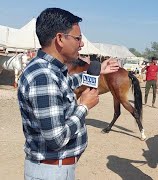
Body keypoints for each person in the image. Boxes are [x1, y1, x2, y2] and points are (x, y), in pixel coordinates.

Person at [18, 8, 119, 180]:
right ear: (59, 39)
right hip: (51, 172)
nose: (82, 44)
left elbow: (66, 84)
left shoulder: (50, 70)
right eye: (78, 38)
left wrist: (97, 71)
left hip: (55, 169)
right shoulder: (44, 76)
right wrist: (84, 107)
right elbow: (56, 139)